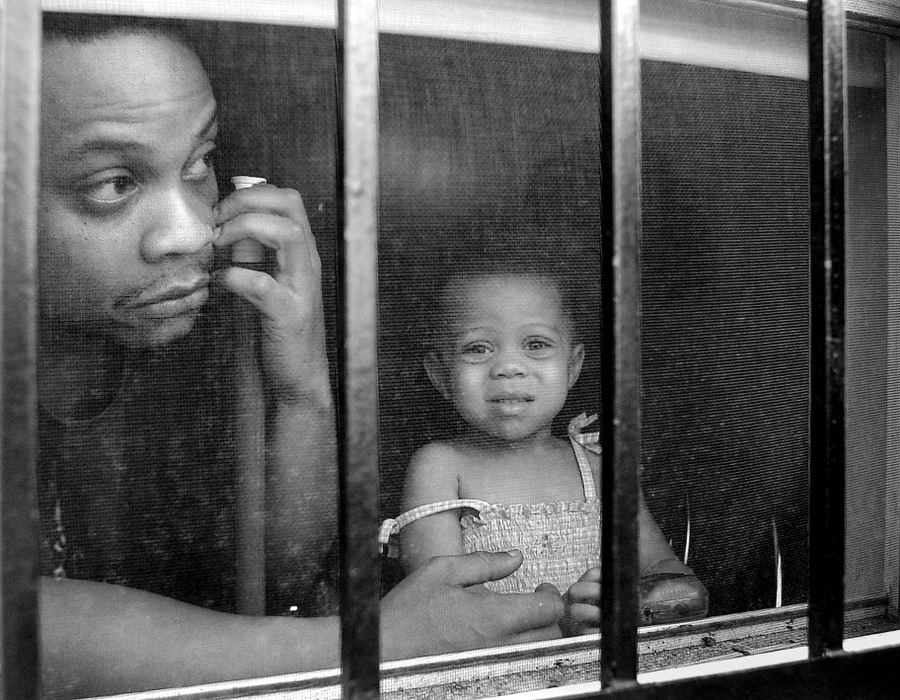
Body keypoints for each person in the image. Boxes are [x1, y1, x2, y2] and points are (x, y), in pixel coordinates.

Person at [37, 15, 563, 697]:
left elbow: (276, 571)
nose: (191, 231)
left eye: (198, 165)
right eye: (113, 184)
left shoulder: (191, 339)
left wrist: (302, 381)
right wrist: (365, 645)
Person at [379, 268, 708, 635]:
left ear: (572, 366)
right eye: (477, 348)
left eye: (536, 344)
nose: (508, 368)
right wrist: (558, 624)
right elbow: (443, 615)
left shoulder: (599, 467)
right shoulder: (439, 467)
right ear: (440, 374)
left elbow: (660, 567)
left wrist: (664, 595)